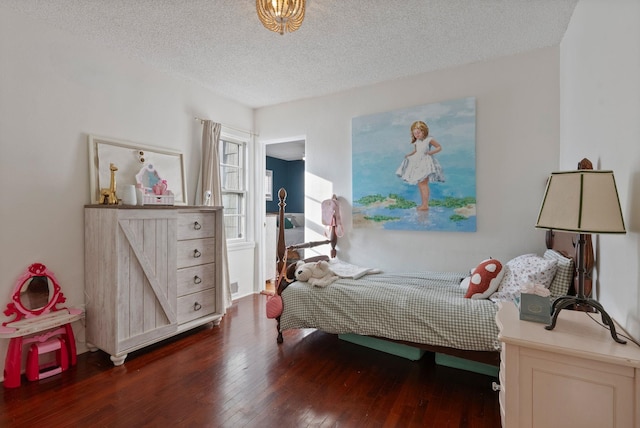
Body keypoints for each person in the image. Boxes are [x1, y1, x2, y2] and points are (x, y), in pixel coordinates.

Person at [395, 121, 445, 210]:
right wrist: (409, 155)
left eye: (418, 133)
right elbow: (416, 151)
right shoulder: (417, 141)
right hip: (417, 162)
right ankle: (424, 204)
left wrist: (430, 152)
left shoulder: (429, 139)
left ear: (424, 131)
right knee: (420, 184)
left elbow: (439, 147)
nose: (416, 135)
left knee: (423, 183)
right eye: (414, 134)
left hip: (425, 162)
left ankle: (425, 205)